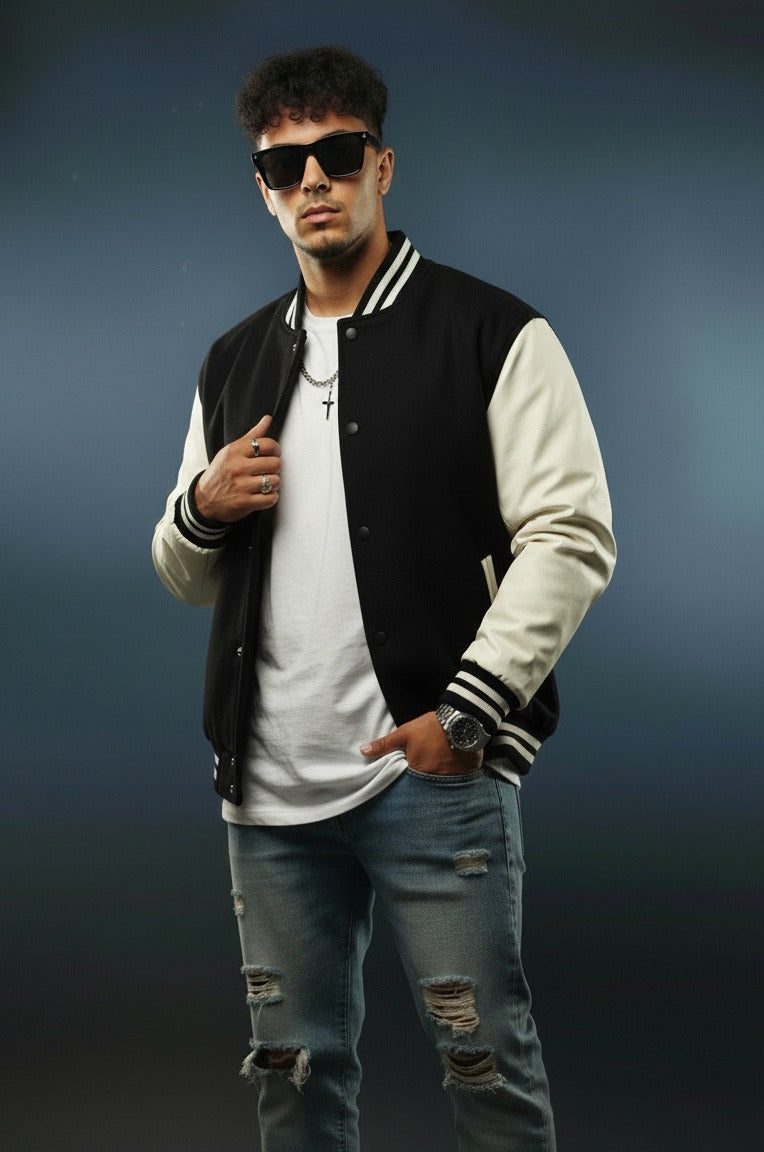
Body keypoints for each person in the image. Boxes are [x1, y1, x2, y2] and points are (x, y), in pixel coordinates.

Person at [152, 44, 615, 1152]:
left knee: (485, 1066)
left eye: (338, 153)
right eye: (286, 166)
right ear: (264, 190)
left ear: (383, 165)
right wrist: (204, 505)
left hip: (431, 772)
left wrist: (466, 714)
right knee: (294, 1078)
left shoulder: (493, 335)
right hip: (267, 791)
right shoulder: (234, 361)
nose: (313, 180)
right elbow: (182, 571)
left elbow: (571, 536)